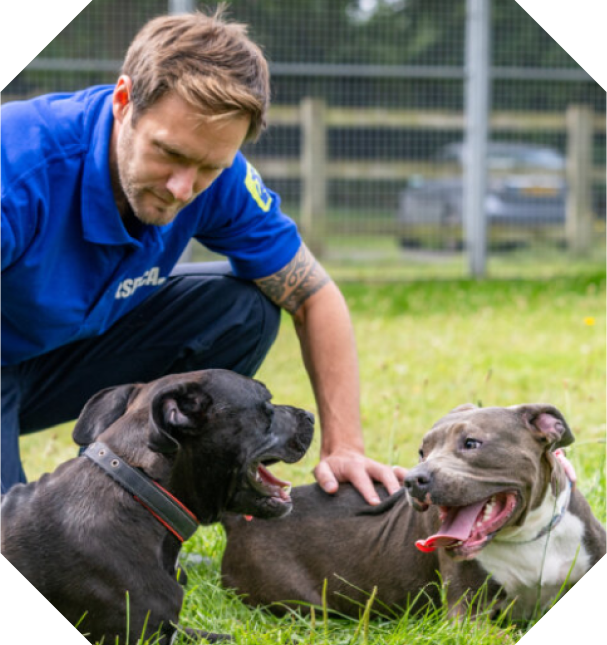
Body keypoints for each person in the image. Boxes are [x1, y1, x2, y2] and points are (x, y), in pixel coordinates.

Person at [0, 7, 405, 503]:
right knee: (17, 537)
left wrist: (345, 446)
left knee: (243, 313)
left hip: (55, 357)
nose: (182, 187)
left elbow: (314, 297)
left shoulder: (223, 180)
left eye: (208, 166)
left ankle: (145, 504)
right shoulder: (17, 170)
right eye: (168, 154)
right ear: (124, 101)